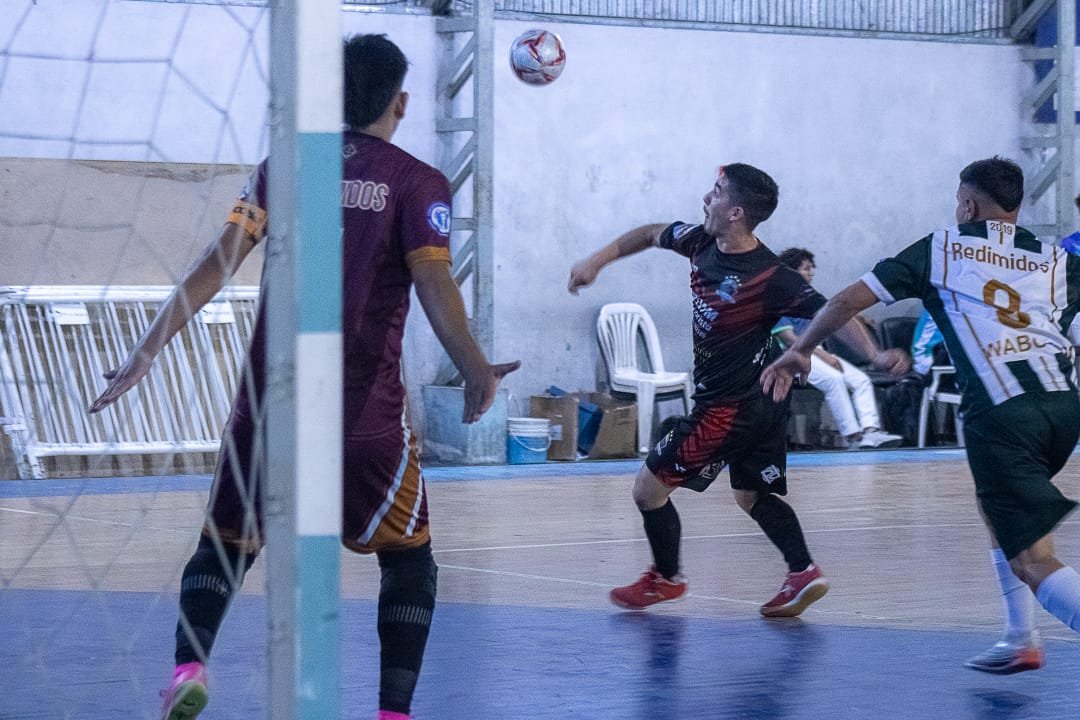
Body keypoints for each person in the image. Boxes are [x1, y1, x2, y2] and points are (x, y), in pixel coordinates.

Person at [88, 34, 519, 720]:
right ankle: (393, 711)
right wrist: (472, 364)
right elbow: (434, 280)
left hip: (269, 408)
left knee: (223, 546)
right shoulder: (416, 181)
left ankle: (189, 669)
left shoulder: (282, 166)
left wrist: (148, 347)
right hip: (363, 416)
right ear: (401, 102)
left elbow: (217, 263)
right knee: (408, 559)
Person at [762, 157, 1080, 675]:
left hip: (1003, 412)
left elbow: (843, 302)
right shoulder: (1053, 258)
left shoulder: (942, 248)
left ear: (968, 206)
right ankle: (1019, 637)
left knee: (1034, 560)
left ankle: (1026, 636)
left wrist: (802, 349)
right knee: (997, 508)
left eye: (958, 202)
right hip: (1063, 406)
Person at [567, 163, 908, 617]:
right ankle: (803, 572)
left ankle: (666, 579)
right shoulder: (700, 242)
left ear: (736, 212)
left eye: (717, 192)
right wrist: (596, 261)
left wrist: (874, 355)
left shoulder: (771, 277)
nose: (706, 199)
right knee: (752, 494)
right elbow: (650, 233)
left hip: (725, 410)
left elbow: (832, 310)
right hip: (764, 401)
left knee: (648, 490)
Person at [772, 247, 903, 449]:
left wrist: (858, 317)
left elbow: (830, 314)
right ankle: (853, 437)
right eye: (806, 269)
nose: (811, 273)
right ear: (791, 272)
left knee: (860, 380)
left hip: (817, 352)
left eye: (812, 268)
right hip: (792, 357)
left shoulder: (807, 299)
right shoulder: (777, 301)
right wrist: (824, 355)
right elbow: (790, 340)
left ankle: (871, 432)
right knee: (834, 380)